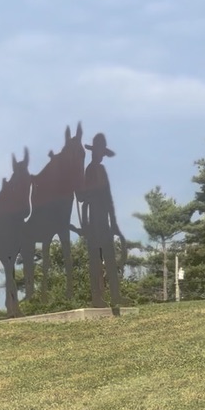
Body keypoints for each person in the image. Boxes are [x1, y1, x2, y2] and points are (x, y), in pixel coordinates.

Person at [77, 132, 122, 314]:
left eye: (102, 152)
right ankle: (97, 297)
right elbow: (83, 197)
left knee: (110, 257)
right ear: (94, 152)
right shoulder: (89, 170)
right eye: (99, 152)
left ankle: (116, 296)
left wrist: (114, 222)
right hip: (93, 220)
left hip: (104, 220)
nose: (101, 155)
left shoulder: (101, 170)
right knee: (95, 259)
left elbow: (108, 198)